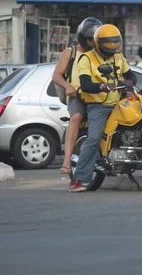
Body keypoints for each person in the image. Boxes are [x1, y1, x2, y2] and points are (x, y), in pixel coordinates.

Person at [68, 24, 137, 193]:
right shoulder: (86, 58)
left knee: (141, 121)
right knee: (93, 139)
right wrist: (102, 87)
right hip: (98, 105)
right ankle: (79, 179)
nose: (112, 47)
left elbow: (131, 75)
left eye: (115, 43)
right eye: (109, 44)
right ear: (98, 43)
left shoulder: (119, 57)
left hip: (119, 103)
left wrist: (128, 83)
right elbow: (85, 84)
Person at [53, 17, 102, 175]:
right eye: (89, 39)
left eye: (94, 39)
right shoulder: (70, 52)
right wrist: (68, 86)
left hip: (100, 95)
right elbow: (57, 76)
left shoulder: (101, 53)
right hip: (78, 95)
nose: (91, 43)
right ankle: (67, 161)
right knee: (76, 117)